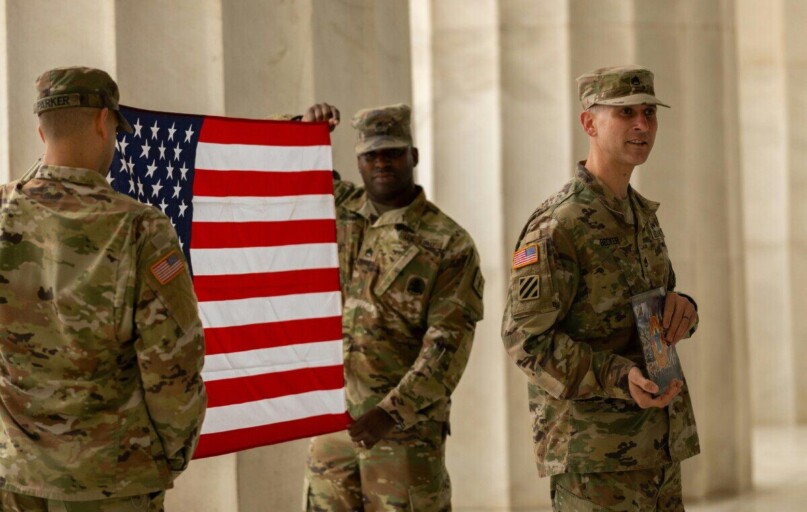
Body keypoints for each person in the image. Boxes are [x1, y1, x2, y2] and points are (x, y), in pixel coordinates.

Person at [0, 66, 207, 512]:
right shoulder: (140, 228)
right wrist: (167, 457)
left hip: (15, 478)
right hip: (113, 483)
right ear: (102, 122)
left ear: (42, 132)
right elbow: (173, 365)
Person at [501, 66, 701, 511]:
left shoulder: (639, 215)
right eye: (625, 112)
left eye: (649, 112)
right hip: (596, 461)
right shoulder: (559, 226)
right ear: (589, 123)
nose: (642, 125)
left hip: (658, 449)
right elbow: (525, 340)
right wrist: (616, 374)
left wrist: (684, 307)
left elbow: (653, 303)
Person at [301, 103, 484, 511]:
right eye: (371, 155)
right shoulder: (339, 209)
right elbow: (275, 167)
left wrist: (390, 413)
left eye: (392, 152)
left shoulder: (448, 243)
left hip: (403, 436)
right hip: (332, 431)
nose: (381, 162)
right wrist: (303, 128)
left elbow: (446, 347)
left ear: (413, 156)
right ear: (359, 161)